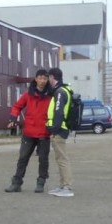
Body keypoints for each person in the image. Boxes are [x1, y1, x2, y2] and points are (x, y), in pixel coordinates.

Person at [5, 69, 52, 193]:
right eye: (40, 78)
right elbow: (17, 106)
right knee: (23, 158)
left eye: (45, 78)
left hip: (44, 133)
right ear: (36, 79)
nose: (42, 81)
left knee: (43, 159)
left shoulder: (51, 95)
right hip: (29, 132)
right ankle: (16, 183)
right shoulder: (28, 94)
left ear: (47, 80)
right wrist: (13, 118)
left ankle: (41, 182)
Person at [46, 67, 75, 197]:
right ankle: (63, 185)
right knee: (60, 158)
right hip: (62, 129)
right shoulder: (65, 90)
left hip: (59, 130)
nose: (48, 80)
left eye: (49, 78)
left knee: (62, 158)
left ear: (53, 77)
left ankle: (67, 187)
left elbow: (58, 112)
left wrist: (53, 130)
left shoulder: (59, 92)